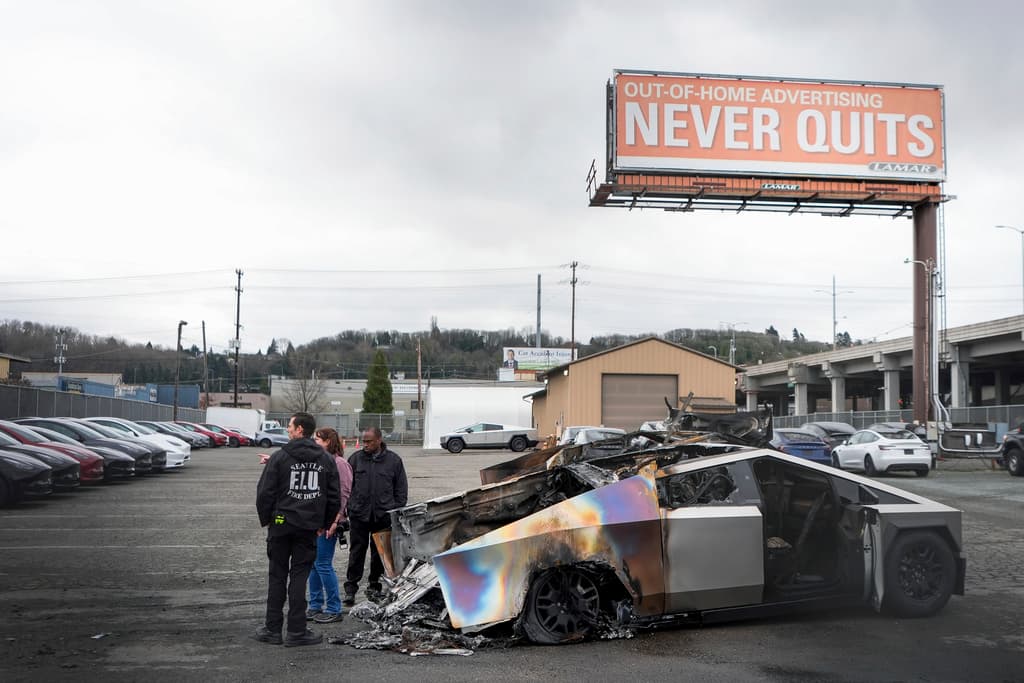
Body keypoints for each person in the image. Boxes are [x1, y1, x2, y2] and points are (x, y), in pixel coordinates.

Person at [252, 412, 340, 647]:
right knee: (299, 576)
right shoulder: (325, 460)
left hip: (281, 525)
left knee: (277, 575)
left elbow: (264, 494)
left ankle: (273, 629)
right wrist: (324, 523)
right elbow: (334, 496)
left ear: (300, 429)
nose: (288, 429)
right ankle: (296, 631)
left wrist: (268, 520)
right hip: (308, 526)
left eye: (290, 426)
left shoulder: (280, 458)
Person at [343, 426, 408, 605]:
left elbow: (401, 490)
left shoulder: (394, 461)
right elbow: (347, 487)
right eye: (363, 441)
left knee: (379, 554)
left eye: (369, 441)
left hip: (383, 517)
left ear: (379, 440)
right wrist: (350, 508)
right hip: (359, 516)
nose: (365, 444)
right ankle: (351, 589)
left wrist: (394, 509)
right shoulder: (355, 460)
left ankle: (374, 586)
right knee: (356, 552)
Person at [306, 427, 352, 624]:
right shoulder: (318, 462)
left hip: (330, 523)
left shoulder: (339, 464)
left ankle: (334, 608)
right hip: (315, 522)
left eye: (318, 439)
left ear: (328, 442)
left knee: (323, 564)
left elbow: (344, 494)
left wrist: (335, 520)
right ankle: (315, 605)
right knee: (313, 565)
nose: (314, 442)